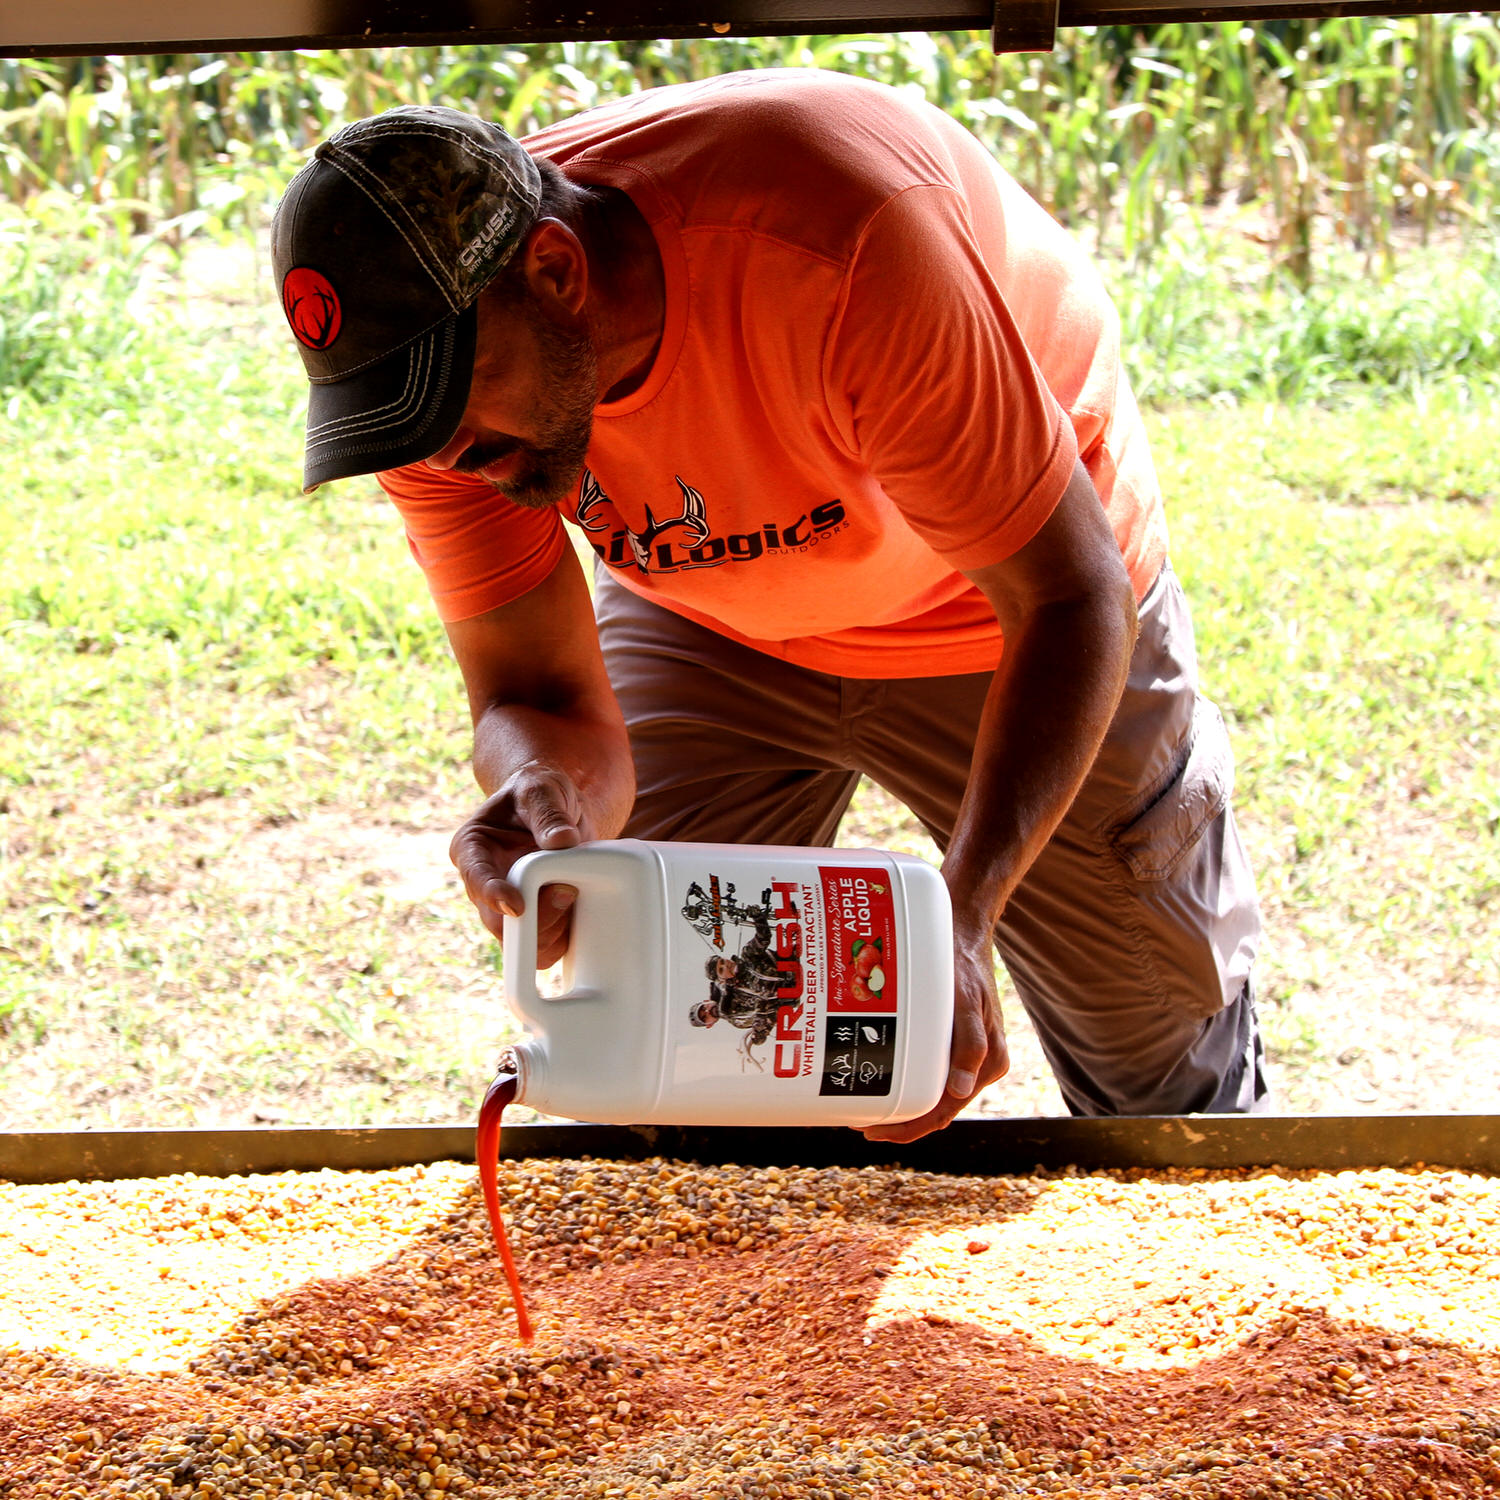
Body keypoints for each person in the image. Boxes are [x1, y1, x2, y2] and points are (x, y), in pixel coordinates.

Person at [270, 69, 1268, 1141]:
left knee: (1169, 1101)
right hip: (711, 615)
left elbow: (1072, 596)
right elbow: (534, 689)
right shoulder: (438, 413)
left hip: (1009, 604)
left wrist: (959, 925)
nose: (438, 456)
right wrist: (539, 784)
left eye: (447, 393)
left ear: (556, 271)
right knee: (667, 1053)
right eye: (393, 416)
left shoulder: (840, 243)